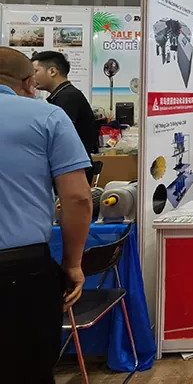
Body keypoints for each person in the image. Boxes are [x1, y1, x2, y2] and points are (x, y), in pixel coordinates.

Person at [0, 47, 93, 384]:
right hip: (20, 272)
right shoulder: (47, 117)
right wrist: (72, 263)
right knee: (27, 370)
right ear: (29, 83)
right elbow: (78, 198)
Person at [33, 50, 99, 156]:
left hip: (72, 162)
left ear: (52, 71)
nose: (32, 76)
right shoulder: (63, 94)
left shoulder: (67, 97)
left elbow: (60, 137)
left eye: (35, 71)